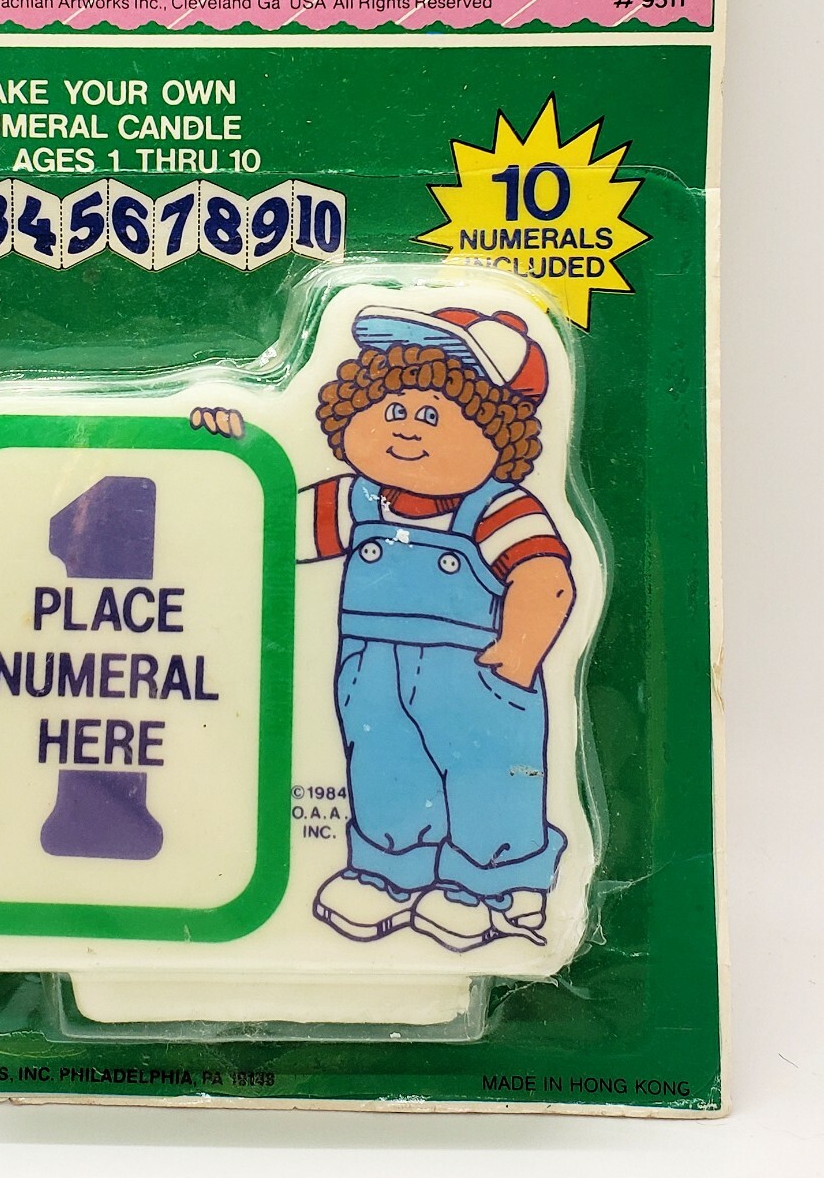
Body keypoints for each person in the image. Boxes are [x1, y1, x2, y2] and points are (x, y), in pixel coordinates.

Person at [193, 304, 576, 953]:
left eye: (433, 415)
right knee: (385, 769)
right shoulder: (357, 500)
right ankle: (391, 872)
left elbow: (546, 577)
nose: (405, 428)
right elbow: (265, 521)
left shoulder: (497, 510)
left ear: (499, 433)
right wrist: (228, 447)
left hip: (479, 680)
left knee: (487, 777)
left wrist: (519, 650)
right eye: (393, 407)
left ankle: (496, 887)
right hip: (373, 679)